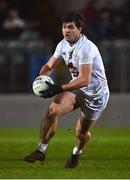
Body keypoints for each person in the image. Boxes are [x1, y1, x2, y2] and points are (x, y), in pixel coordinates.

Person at [24, 11, 110, 168]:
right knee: (52, 111)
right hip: (76, 88)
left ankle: (76, 152)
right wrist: (42, 78)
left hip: (95, 94)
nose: (66, 30)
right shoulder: (62, 44)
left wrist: (57, 88)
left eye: (71, 27)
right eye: (64, 27)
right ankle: (41, 151)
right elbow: (49, 66)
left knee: (81, 133)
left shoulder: (86, 48)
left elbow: (85, 79)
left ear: (79, 29)